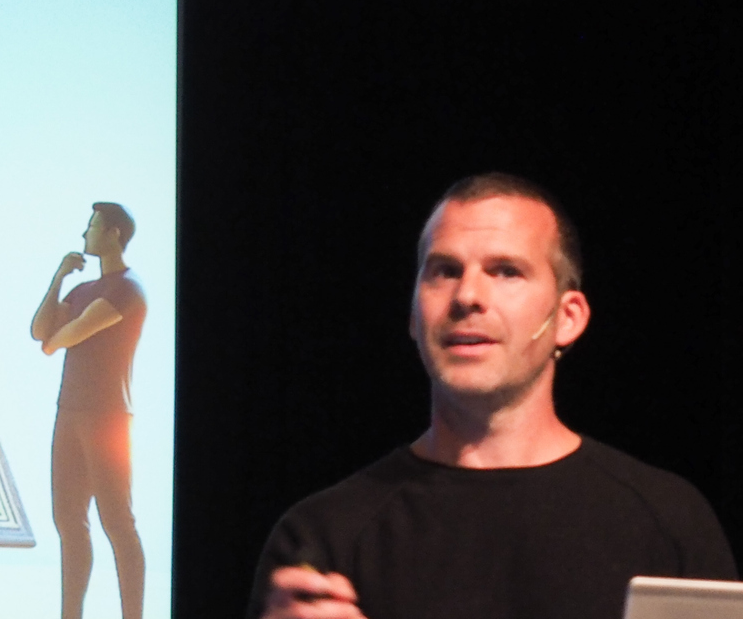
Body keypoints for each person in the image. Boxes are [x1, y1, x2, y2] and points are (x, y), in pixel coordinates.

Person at [248, 173, 736, 619]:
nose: (467, 296)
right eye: (444, 270)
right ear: (414, 316)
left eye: (505, 271)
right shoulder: (325, 537)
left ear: (567, 318)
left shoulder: (666, 521)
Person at [32, 202, 147, 619]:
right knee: (68, 520)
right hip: (69, 413)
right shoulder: (81, 290)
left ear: (114, 233)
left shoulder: (128, 288)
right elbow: (40, 330)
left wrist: (54, 342)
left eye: (92, 226)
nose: (85, 234)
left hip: (108, 417)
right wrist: (59, 278)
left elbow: (77, 331)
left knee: (117, 522)